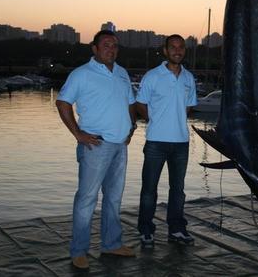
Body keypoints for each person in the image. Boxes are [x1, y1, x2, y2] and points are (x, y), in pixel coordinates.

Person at [56, 30, 137, 270]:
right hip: (95, 146)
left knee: (113, 198)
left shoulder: (122, 73)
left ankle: (111, 243)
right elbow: (62, 102)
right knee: (87, 199)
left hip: (120, 146)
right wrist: (77, 133)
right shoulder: (81, 74)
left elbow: (131, 103)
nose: (111, 49)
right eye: (106, 44)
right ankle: (79, 251)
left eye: (114, 45)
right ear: (94, 48)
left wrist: (131, 128)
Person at [136, 34, 197, 248]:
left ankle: (177, 229)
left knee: (177, 190)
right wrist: (155, 121)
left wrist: (175, 120)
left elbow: (188, 107)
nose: (177, 51)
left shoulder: (189, 78)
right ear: (165, 50)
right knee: (149, 190)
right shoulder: (152, 76)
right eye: (173, 47)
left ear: (184, 51)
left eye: (181, 47)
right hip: (156, 142)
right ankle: (146, 231)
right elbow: (140, 104)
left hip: (181, 143)